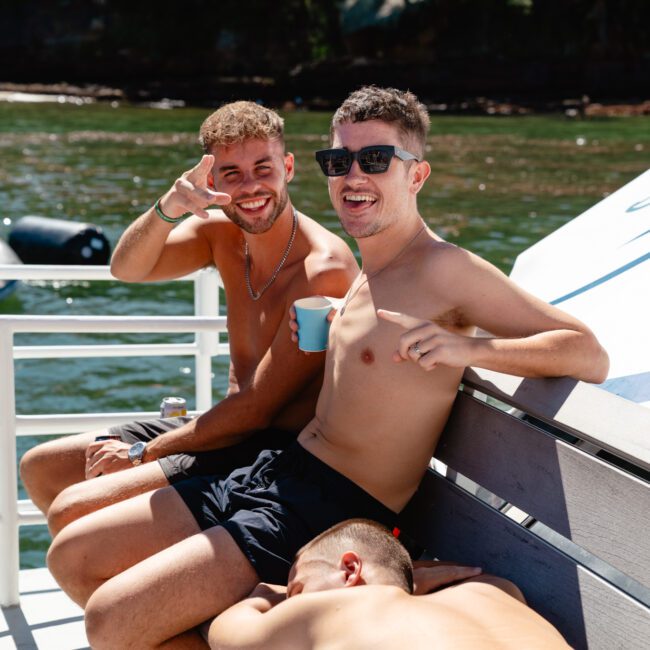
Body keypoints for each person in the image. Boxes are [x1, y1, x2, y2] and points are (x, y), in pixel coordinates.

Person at [46, 86, 608, 649]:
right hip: (281, 469)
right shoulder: (371, 267)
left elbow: (587, 351)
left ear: (416, 175)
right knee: (75, 554)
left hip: (337, 504)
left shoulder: (445, 270)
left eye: (376, 160)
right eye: (338, 161)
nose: (353, 176)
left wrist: (470, 350)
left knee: (111, 620)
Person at [19, 100, 358, 535]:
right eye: (231, 174)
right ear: (211, 179)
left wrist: (143, 453)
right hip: (227, 426)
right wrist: (171, 205)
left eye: (263, 168)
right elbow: (126, 268)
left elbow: (258, 409)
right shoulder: (221, 235)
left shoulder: (322, 267)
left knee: (74, 509)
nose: (251, 187)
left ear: (288, 167)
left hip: (273, 449)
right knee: (43, 468)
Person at [208, 519, 571, 649]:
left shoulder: (341, 606)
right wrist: (405, 580)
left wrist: (263, 595)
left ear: (349, 570)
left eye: (297, 588)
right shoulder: (494, 591)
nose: (292, 601)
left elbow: (227, 639)